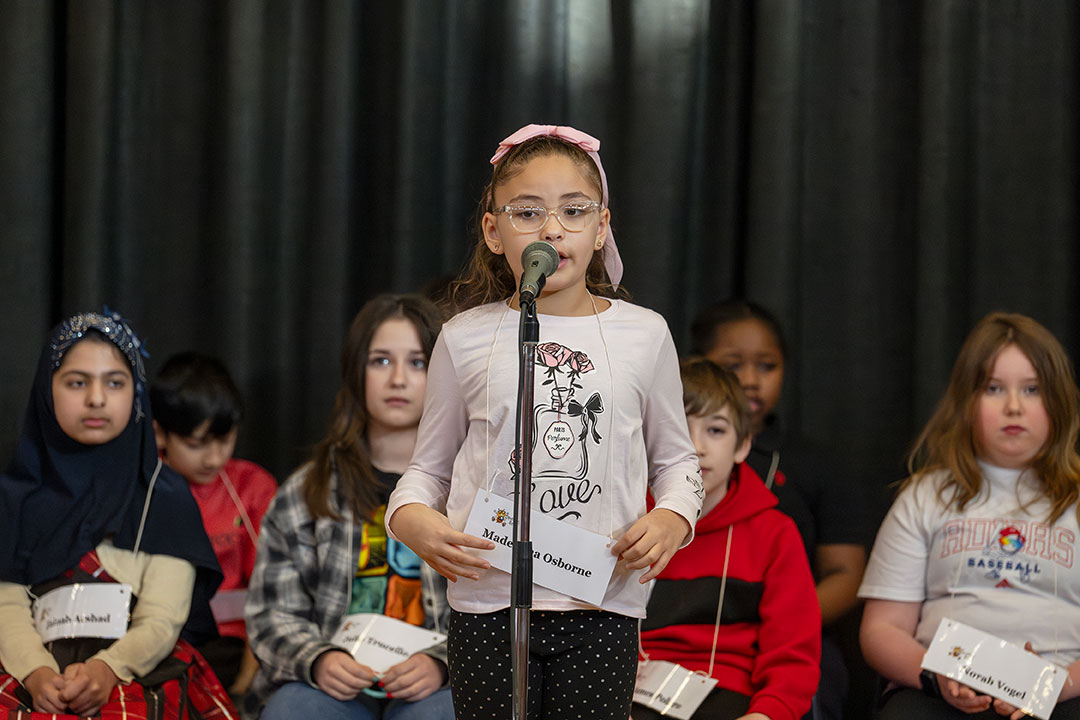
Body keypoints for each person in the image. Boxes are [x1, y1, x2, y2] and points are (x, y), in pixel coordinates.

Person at [386, 124, 704, 720]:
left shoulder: (644, 333)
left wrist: (672, 517)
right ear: (493, 231)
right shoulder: (463, 337)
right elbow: (426, 468)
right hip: (489, 603)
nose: (552, 229)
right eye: (527, 212)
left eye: (573, 211)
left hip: (602, 605)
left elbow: (678, 460)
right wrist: (411, 521)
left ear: (602, 225)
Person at [0, 310, 231, 720]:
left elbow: (163, 616)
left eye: (115, 382)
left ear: (136, 395)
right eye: (76, 382)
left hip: (137, 667)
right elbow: (6, 606)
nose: (96, 399)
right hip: (27, 669)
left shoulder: (164, 496)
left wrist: (108, 668)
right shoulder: (13, 498)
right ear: (45, 391)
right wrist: (35, 672)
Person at [859, 311, 1080, 719]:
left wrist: (1054, 685)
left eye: (1032, 390)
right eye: (994, 389)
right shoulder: (925, 496)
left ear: (1059, 401)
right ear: (966, 402)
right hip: (936, 688)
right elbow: (881, 629)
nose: (1014, 406)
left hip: (1064, 691)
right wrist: (935, 676)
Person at [244, 294, 453, 720]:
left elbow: (500, 611)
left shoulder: (473, 488)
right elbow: (271, 613)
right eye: (380, 361)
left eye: (417, 362)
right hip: (334, 688)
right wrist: (317, 659)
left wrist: (442, 663)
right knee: (292, 712)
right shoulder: (305, 492)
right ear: (355, 372)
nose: (398, 378)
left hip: (432, 687)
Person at [691, 299, 871, 718]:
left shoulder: (816, 464)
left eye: (767, 367)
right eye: (734, 366)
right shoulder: (657, 460)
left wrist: (781, 620)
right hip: (690, 640)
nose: (751, 381)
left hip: (789, 628)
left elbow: (847, 573)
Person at [635, 357, 820, 720]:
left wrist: (767, 714)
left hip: (730, 693)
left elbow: (792, 653)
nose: (695, 446)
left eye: (715, 430)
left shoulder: (774, 534)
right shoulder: (625, 518)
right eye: (678, 428)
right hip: (629, 685)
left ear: (743, 446)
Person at [151, 352, 278, 697]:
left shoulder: (253, 487)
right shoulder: (144, 488)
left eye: (225, 440)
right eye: (196, 444)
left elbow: (270, 588)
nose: (214, 458)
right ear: (159, 432)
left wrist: (250, 671)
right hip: (160, 640)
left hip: (234, 646)